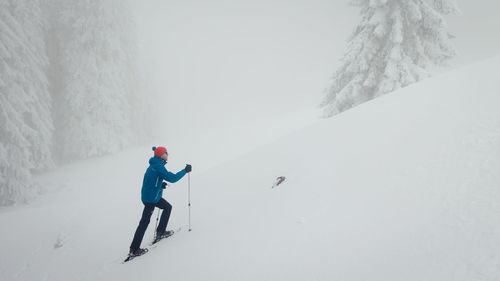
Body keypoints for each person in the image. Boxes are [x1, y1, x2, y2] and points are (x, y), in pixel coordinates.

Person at [129, 146, 192, 257]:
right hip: (151, 199)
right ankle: (134, 249)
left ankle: (160, 232)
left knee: (167, 207)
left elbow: (150, 180)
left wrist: (159, 185)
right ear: (160, 155)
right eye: (165, 153)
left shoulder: (154, 165)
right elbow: (172, 178)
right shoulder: (158, 166)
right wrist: (185, 171)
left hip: (151, 196)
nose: (167, 155)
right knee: (144, 222)